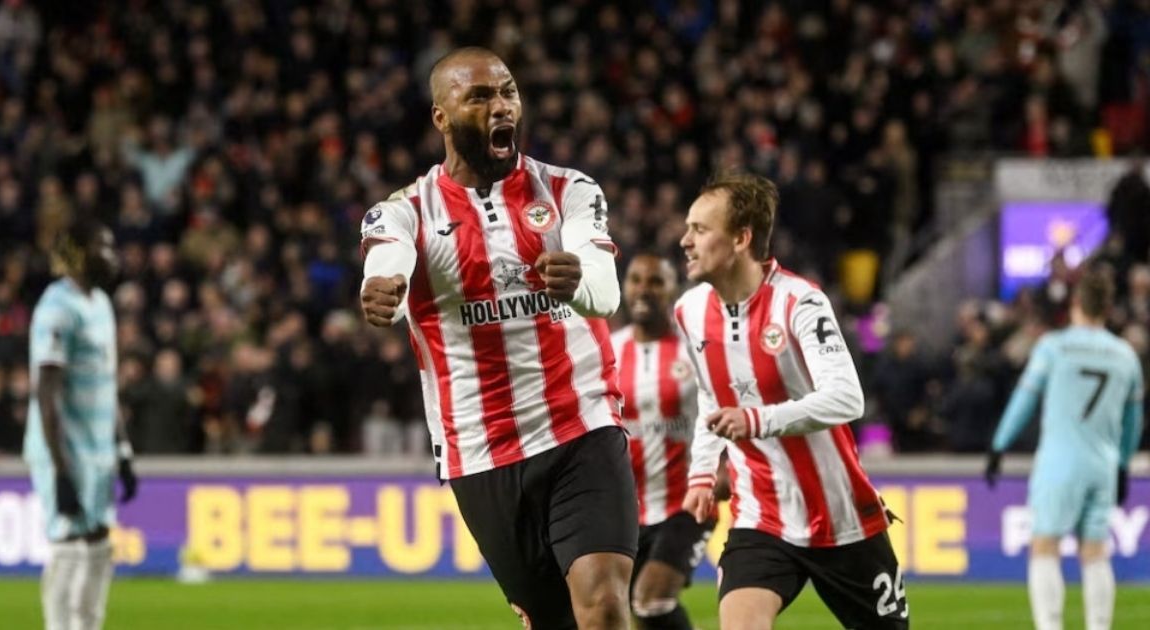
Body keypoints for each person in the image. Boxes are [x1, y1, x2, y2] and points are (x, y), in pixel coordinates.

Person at [358, 47, 635, 629]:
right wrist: (383, 287)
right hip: (481, 449)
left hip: (581, 425)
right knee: (552, 620)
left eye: (508, 91)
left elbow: (606, 293)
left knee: (605, 606)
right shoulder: (403, 212)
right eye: (480, 97)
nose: (501, 105)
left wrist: (579, 282)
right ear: (441, 117)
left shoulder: (569, 190)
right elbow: (388, 261)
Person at [675, 172, 908, 630]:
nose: (685, 241)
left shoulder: (800, 302)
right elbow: (710, 396)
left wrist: (757, 420)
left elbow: (847, 398)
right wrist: (702, 473)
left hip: (841, 518)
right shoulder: (690, 311)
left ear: (741, 238)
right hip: (760, 516)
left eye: (700, 229)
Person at [986, 269, 1143, 630]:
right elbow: (1132, 422)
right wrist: (1122, 464)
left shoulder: (1054, 347)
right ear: (1108, 308)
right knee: (1095, 552)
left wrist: (998, 445)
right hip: (1102, 465)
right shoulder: (1125, 356)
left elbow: (1024, 400)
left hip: (1060, 463)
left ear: (1075, 303)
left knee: (1044, 545)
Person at [25, 217, 138, 630]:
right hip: (66, 450)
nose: (112, 256)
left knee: (99, 545)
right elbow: (46, 392)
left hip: (99, 450)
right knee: (69, 546)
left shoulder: (102, 304)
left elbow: (107, 386)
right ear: (77, 254)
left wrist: (123, 450)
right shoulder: (56, 307)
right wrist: (59, 470)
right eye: (103, 247)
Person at [611, 254, 714, 629]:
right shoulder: (608, 351)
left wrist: (723, 467)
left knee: (651, 599)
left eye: (656, 282)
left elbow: (727, 410)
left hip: (685, 504)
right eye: (636, 280)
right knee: (624, 608)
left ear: (673, 290)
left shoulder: (696, 351)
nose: (644, 289)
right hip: (622, 511)